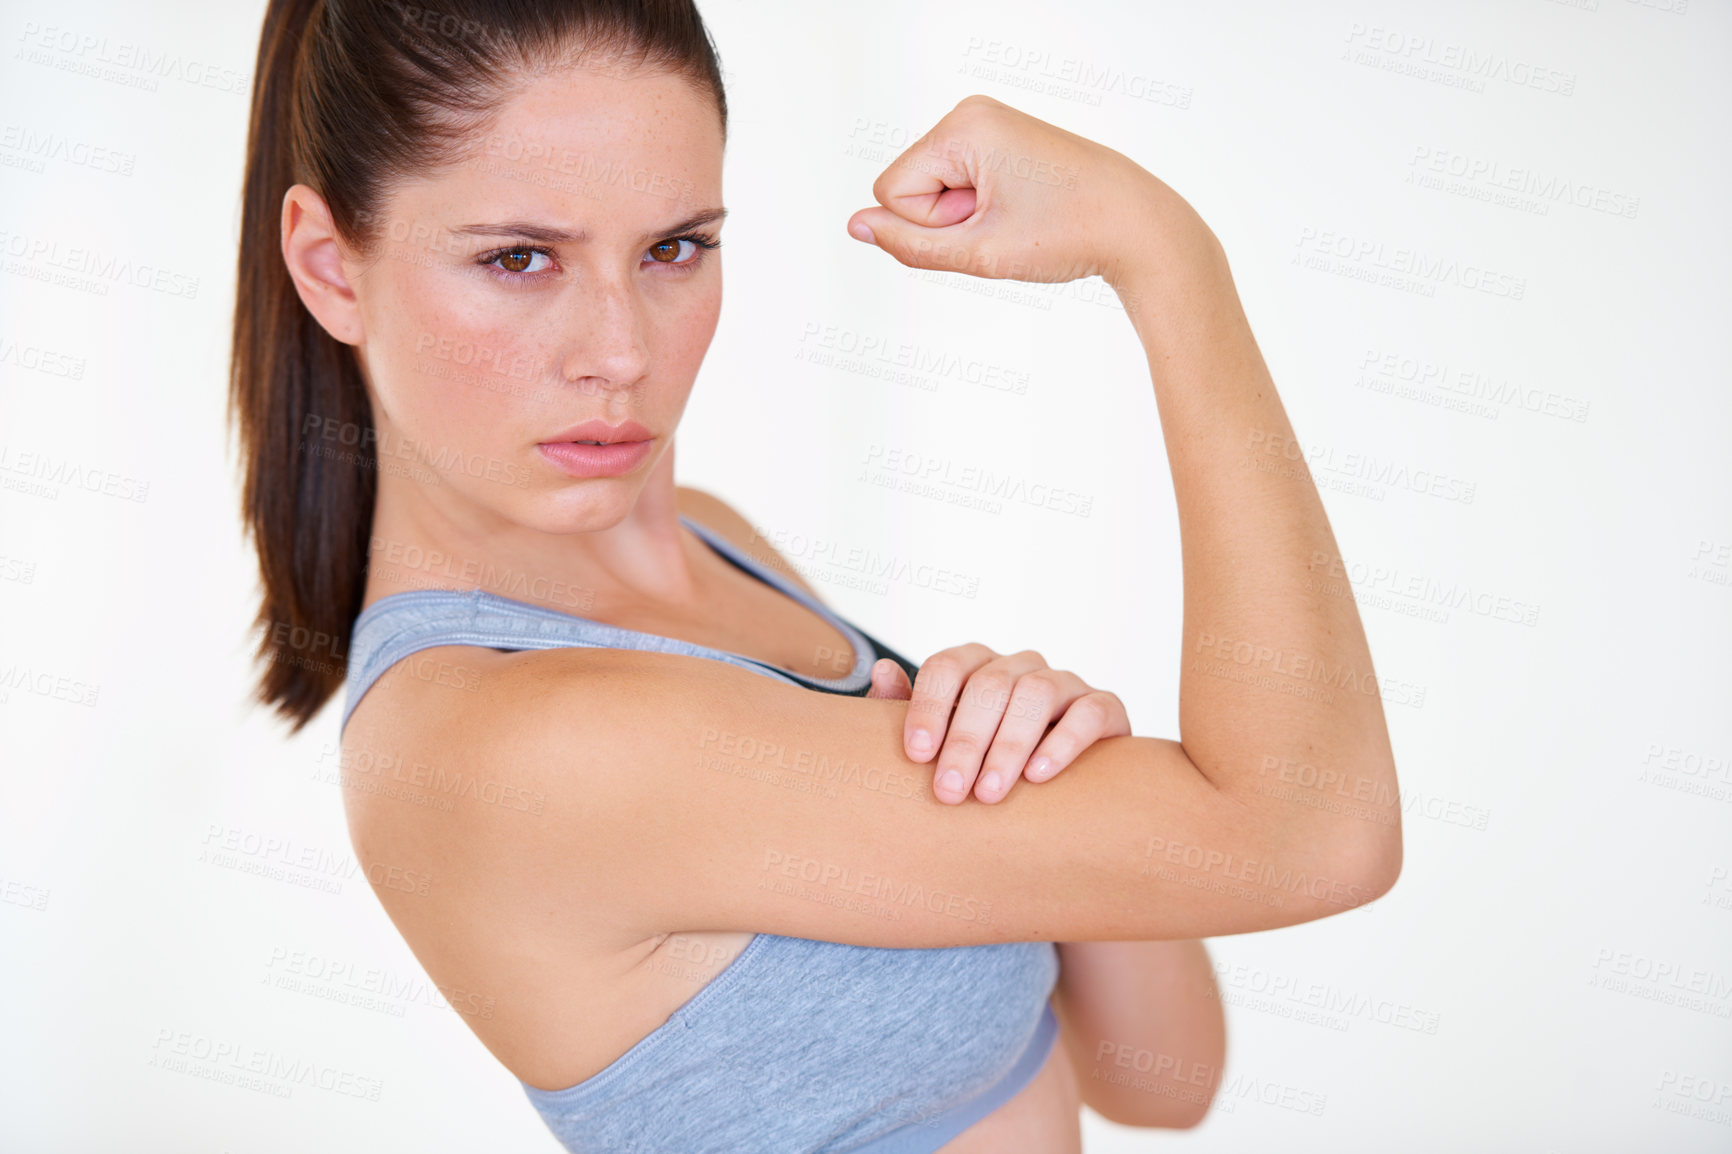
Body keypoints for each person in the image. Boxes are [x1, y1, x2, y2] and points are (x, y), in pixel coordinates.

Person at [230, 1, 1403, 1150]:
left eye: (674, 247)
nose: (623, 351)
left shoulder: (708, 541)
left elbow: (1162, 1079)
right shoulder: (506, 744)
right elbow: (1311, 833)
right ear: (331, 267)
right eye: (520, 257)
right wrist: (1165, 253)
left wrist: (1055, 751)